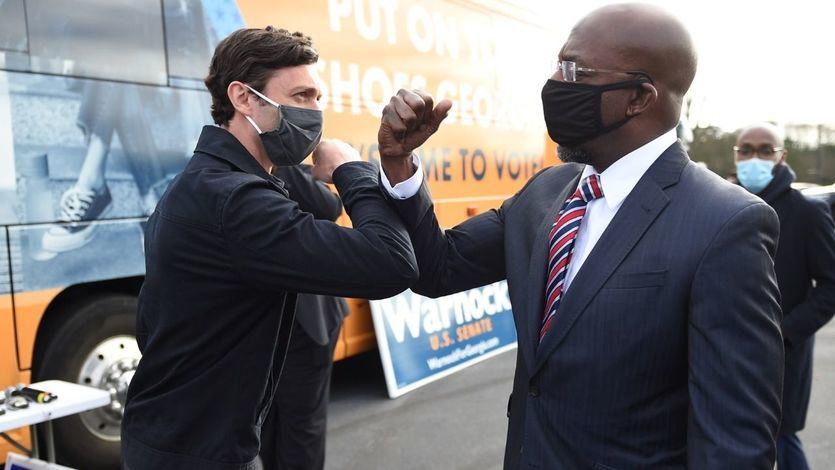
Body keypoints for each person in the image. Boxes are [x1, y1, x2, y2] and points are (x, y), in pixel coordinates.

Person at [376, 4, 784, 468]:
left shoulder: (726, 224)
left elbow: (734, 440)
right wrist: (399, 166)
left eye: (573, 70)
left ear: (639, 97)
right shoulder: (546, 191)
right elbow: (438, 268)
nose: (554, 82)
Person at [122, 27, 417, 470]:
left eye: (318, 98)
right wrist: (350, 171)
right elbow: (392, 262)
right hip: (197, 453)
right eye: (301, 96)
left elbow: (153, 324)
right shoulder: (236, 201)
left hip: (175, 441)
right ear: (243, 98)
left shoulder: (203, 184)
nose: (316, 113)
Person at [734, 124, 835, 470]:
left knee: (780, 440)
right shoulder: (723, 204)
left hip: (783, 358)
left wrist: (785, 332)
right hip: (727, 349)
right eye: (745, 150)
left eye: (765, 150)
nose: (754, 158)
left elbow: (831, 286)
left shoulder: (807, 212)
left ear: (782, 157)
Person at [258, 163, 350, 470]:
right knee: (269, 423)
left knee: (300, 426)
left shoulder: (279, 161)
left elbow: (330, 206)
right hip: (268, 321)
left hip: (308, 320)